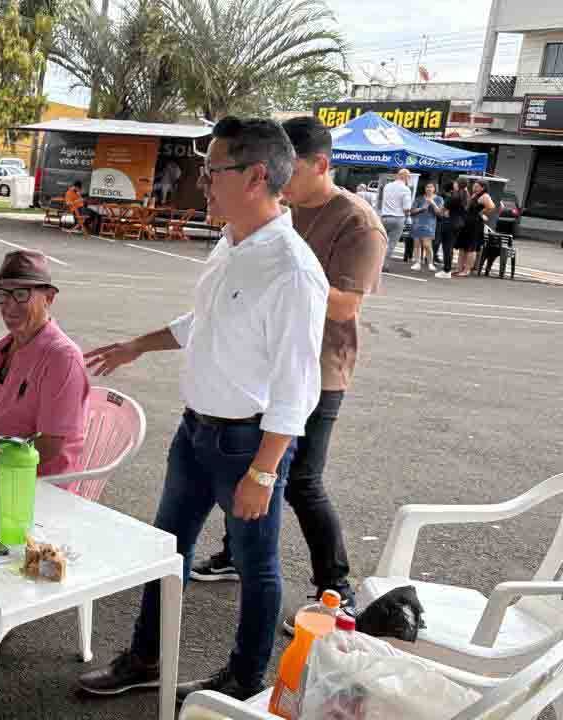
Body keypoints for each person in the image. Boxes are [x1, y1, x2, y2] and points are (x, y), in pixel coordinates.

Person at [78, 117, 328, 701]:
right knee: (166, 550)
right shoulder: (230, 242)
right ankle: (146, 658)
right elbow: (206, 323)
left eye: (213, 170)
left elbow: (298, 388)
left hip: (246, 444)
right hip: (196, 435)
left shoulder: (292, 271)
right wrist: (139, 345)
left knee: (257, 566)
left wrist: (264, 473)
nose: (202, 182)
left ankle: (245, 681)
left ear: (257, 176)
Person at [190, 117, 383, 625]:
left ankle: (334, 584)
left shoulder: (357, 222)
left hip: (320, 367)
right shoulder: (283, 212)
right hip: (259, 362)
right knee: (248, 460)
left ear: (320, 165)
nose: (280, 182)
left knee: (298, 480)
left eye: (290, 170)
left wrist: (281, 288)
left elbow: (344, 307)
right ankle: (237, 551)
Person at [0, 250, 90, 481]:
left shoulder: (62, 358)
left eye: (22, 294)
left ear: (49, 297)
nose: (10, 306)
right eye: (2, 295)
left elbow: (49, 445)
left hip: (33, 485)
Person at [455, 180, 495, 277]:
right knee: (462, 247)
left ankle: (467, 270)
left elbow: (491, 206)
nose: (474, 187)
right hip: (467, 223)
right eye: (474, 186)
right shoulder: (474, 195)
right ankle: (459, 268)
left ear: (483, 187)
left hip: (475, 224)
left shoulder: (485, 196)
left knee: (470, 248)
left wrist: (481, 214)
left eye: (477, 186)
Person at [379, 168, 413, 272]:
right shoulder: (406, 189)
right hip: (398, 218)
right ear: (407, 177)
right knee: (391, 243)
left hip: (384, 217)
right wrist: (408, 216)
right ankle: (383, 265)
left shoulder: (387, 186)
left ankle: (374, 263)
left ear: (398, 176)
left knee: (381, 242)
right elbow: (406, 208)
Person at [407, 182, 444, 272]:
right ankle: (417, 262)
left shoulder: (439, 199)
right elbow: (412, 211)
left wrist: (432, 203)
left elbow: (440, 213)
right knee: (417, 244)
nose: (429, 189)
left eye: (431, 187)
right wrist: (422, 208)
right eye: (427, 187)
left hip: (430, 224)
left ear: (434, 189)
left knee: (427, 244)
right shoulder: (419, 198)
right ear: (425, 188)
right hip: (417, 223)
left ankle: (430, 263)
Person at [438, 180, 470, 280]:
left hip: (450, 222)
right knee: (450, 246)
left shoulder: (454, 196)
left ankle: (446, 270)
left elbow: (441, 210)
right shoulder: (466, 196)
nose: (454, 184)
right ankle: (447, 269)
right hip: (459, 223)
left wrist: (444, 212)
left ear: (458, 185)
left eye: (455, 183)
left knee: (447, 247)